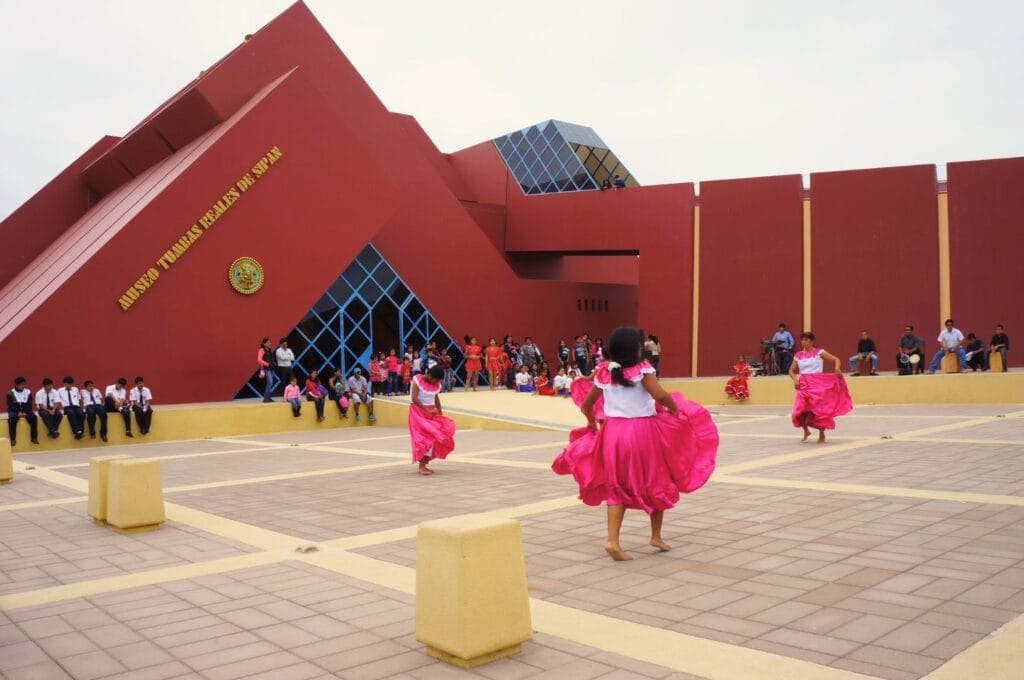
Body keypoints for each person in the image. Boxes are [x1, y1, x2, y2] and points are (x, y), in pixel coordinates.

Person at [553, 326, 718, 561]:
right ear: (634, 348)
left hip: (612, 433)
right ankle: (656, 536)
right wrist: (673, 409)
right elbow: (659, 395)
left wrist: (591, 423)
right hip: (641, 432)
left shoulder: (603, 372)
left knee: (616, 485)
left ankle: (613, 541)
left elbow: (587, 404)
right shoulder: (642, 370)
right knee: (657, 478)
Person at [790, 332, 852, 443]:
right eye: (802, 340)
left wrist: (837, 368)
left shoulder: (819, 352)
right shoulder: (798, 355)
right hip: (804, 385)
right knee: (798, 409)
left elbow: (836, 359)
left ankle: (821, 433)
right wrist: (795, 380)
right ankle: (806, 430)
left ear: (812, 341)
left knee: (818, 411)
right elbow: (791, 370)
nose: (804, 342)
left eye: (807, 340)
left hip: (818, 383)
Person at [409, 365, 455, 475]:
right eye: (436, 380)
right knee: (424, 439)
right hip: (418, 412)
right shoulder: (417, 380)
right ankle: (422, 466)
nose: (437, 382)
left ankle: (424, 464)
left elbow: (436, 398)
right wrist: (426, 410)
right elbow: (414, 398)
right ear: (429, 375)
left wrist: (440, 412)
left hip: (431, 412)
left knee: (436, 436)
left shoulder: (436, 384)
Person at [7, 377, 38, 446]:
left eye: (24, 384)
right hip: (14, 410)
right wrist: (18, 412)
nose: (23, 386)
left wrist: (25, 412)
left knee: (34, 417)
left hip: (26, 410)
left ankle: (34, 437)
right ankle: (12, 439)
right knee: (11, 419)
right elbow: (10, 405)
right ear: (16, 385)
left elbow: (29, 403)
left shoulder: (28, 392)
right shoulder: (11, 393)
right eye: (21, 385)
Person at [257, 337, 275, 402]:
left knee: (270, 383)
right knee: (270, 382)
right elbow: (259, 360)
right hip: (266, 368)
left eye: (270, 342)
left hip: (272, 368)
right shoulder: (262, 350)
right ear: (264, 344)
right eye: (268, 342)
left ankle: (268, 397)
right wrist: (267, 364)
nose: (269, 343)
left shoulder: (269, 350)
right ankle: (266, 398)